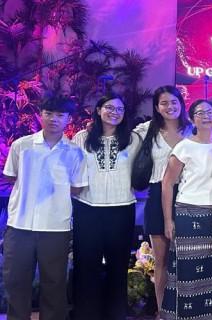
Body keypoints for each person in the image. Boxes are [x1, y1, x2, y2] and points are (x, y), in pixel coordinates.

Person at [2, 96, 87, 320]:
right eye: (49, 113)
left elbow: (77, 188)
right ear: (40, 114)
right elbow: (10, 176)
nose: (53, 119)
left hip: (55, 227)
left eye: (60, 115)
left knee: (55, 284)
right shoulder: (22, 145)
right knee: (16, 281)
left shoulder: (75, 152)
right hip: (19, 225)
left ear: (69, 119)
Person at [71, 93, 141, 319]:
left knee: (118, 265)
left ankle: (115, 313)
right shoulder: (82, 137)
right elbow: (71, 169)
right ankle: (85, 313)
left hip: (121, 208)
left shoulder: (133, 139)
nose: (115, 112)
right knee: (86, 264)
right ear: (99, 110)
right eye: (109, 108)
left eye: (120, 109)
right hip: (88, 208)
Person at [158, 100, 212, 319]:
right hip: (189, 213)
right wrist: (168, 220)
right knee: (187, 274)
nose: (206, 116)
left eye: (210, 112)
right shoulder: (184, 146)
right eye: (200, 112)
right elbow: (167, 183)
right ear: (192, 118)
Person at [134, 85, 192, 310]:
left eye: (174, 102)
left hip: (188, 196)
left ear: (181, 104)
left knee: (186, 260)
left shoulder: (193, 129)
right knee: (162, 262)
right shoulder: (146, 130)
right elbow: (121, 141)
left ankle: (185, 308)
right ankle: (162, 310)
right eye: (164, 103)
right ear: (157, 107)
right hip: (157, 196)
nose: (170, 107)